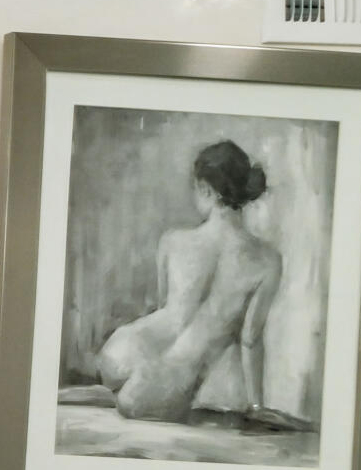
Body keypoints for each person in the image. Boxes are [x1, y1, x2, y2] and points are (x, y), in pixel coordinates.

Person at [94, 139, 287, 425]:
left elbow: (166, 309)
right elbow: (250, 340)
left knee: (136, 367)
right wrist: (256, 405)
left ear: (205, 189)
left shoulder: (172, 241)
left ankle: (106, 390)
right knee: (172, 372)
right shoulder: (267, 260)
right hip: (162, 386)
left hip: (120, 349)